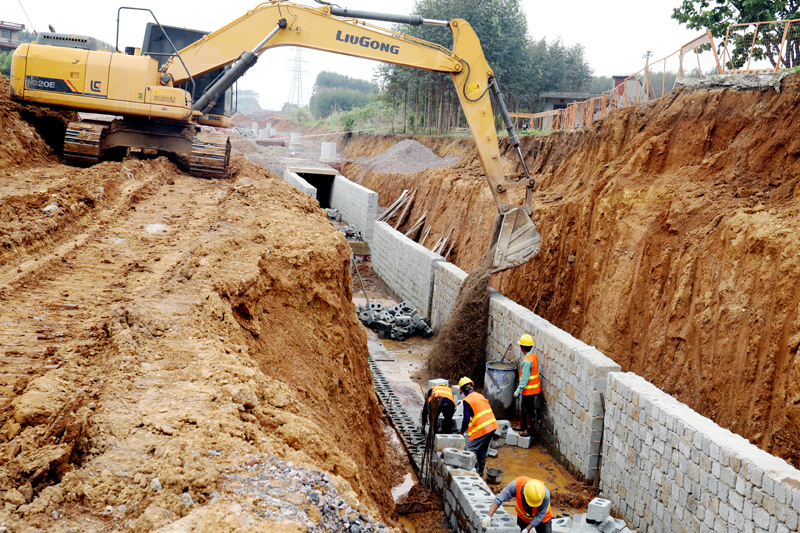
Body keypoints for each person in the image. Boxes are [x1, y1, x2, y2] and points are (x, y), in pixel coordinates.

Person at [458, 376, 498, 478]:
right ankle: (480, 473)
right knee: (482, 450)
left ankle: (472, 475)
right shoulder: (480, 396)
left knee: (470, 449)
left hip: (483, 428)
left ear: (463, 391)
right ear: (472, 386)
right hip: (492, 425)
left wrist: (461, 432)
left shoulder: (467, 400)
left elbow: (466, 419)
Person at [481, 477, 552, 532]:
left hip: (543, 519)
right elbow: (499, 498)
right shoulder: (516, 485)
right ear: (524, 494)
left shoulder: (545, 495)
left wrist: (526, 529)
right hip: (523, 517)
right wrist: (488, 517)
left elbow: (539, 516)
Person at [512, 334, 541, 438]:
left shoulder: (527, 361)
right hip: (532, 389)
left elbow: (524, 379)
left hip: (529, 390)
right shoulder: (533, 356)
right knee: (524, 407)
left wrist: (518, 391)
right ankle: (522, 425)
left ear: (521, 347)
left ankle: (529, 429)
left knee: (528, 409)